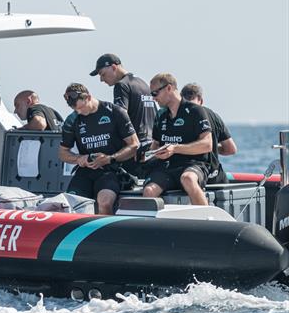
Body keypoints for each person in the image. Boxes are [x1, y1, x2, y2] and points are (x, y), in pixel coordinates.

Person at [58, 83, 139, 215]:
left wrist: (109, 159)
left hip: (112, 170)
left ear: (88, 97)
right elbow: (62, 153)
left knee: (105, 202)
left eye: (81, 108)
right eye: (75, 110)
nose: (79, 112)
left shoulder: (114, 112)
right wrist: (79, 158)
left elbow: (134, 145)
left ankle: (106, 235)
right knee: (70, 204)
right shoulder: (72, 119)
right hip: (85, 171)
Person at [142, 73, 213, 205]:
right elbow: (155, 145)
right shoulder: (161, 115)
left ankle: (206, 222)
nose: (153, 98)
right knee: (149, 191)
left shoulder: (195, 111)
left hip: (194, 164)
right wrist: (150, 155)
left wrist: (175, 148)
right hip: (168, 167)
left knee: (188, 179)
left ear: (169, 88)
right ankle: (156, 225)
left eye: (155, 93)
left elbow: (207, 144)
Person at [90, 53, 156, 162]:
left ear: (114, 67)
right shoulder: (143, 83)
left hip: (134, 148)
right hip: (151, 145)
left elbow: (120, 115)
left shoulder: (121, 85)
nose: (101, 79)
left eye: (102, 74)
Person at [180, 83, 237, 184]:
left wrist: (204, 146)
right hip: (215, 176)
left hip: (191, 176)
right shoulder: (213, 116)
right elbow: (231, 149)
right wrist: (213, 146)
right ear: (201, 100)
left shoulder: (175, 117)